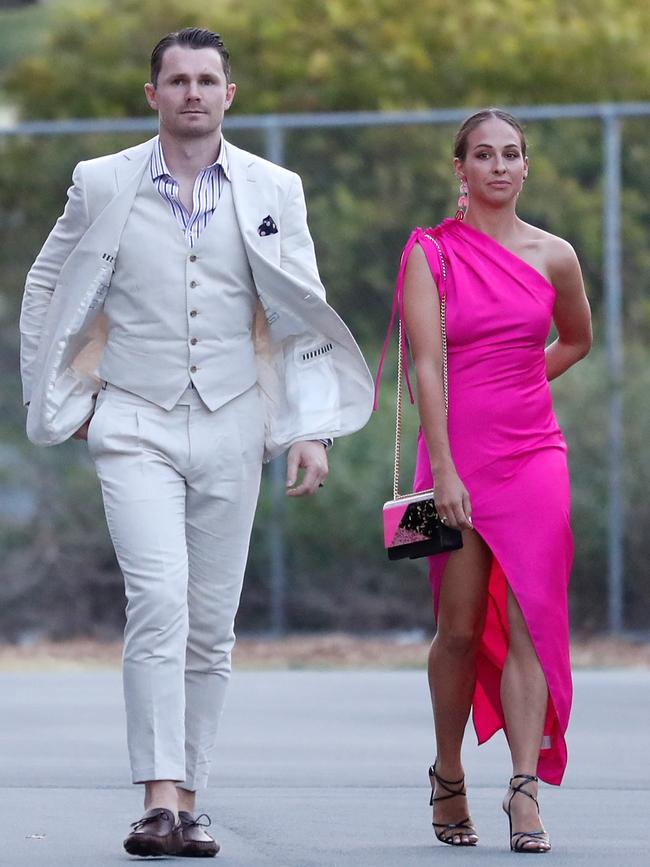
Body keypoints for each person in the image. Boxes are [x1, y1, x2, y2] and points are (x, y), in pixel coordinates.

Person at [20, 27, 373, 858]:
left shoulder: (273, 187)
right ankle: (154, 799)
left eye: (206, 80)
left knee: (211, 625)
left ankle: (190, 798)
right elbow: (47, 282)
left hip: (232, 417)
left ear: (228, 94)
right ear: (153, 96)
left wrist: (307, 428)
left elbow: (302, 309)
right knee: (160, 603)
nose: (191, 93)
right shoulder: (100, 180)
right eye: (175, 80)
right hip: (132, 417)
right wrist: (62, 397)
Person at [399, 109, 592, 852]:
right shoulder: (429, 252)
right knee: (457, 626)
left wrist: (521, 384)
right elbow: (425, 366)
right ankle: (448, 774)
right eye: (484, 155)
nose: (500, 167)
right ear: (461, 169)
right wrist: (443, 466)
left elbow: (575, 338)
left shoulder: (556, 255)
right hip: (449, 456)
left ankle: (523, 789)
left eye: (512, 154)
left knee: (535, 620)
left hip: (536, 451)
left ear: (526, 165)